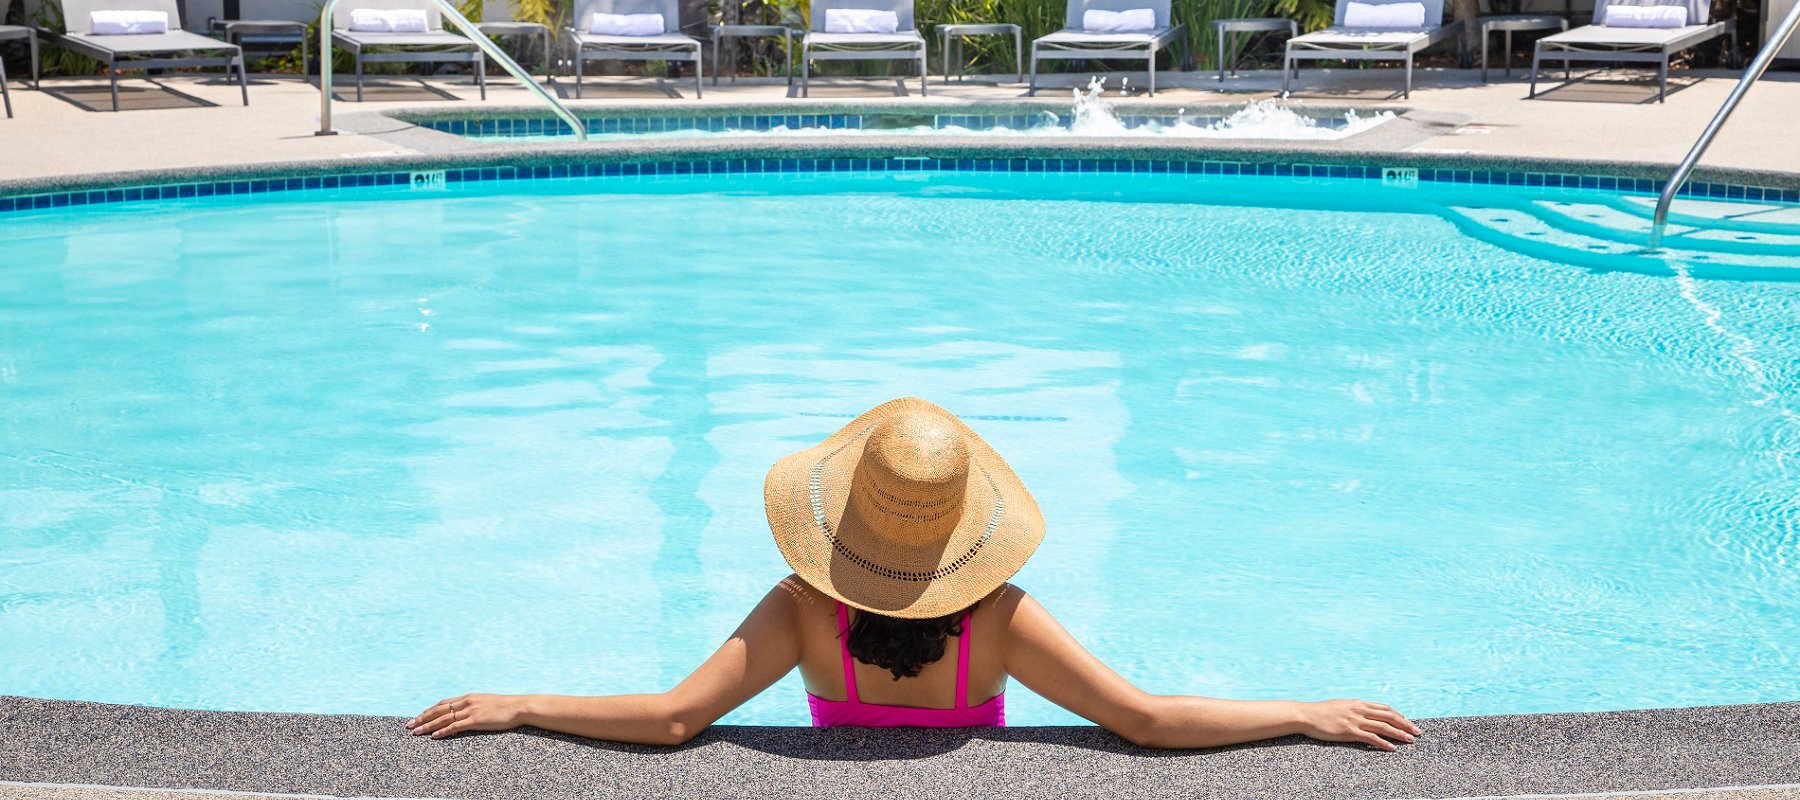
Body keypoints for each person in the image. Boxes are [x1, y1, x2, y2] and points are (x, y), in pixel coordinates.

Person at [407, 397, 1421, 751]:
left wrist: (524, 701)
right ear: (958, 532)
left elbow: (676, 718)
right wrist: (1299, 710)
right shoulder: (1000, 618)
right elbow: (1146, 720)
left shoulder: (804, 610)